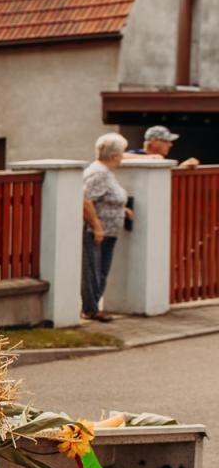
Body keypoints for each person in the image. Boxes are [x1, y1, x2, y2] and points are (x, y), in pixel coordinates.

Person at [81, 133, 132, 323]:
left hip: (108, 231)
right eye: (122, 153)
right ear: (114, 155)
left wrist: (122, 210)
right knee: (94, 271)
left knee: (101, 270)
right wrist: (97, 227)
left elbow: (106, 198)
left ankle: (93, 307)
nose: (123, 157)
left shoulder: (105, 172)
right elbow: (86, 200)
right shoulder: (99, 173)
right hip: (98, 232)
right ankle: (90, 309)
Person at [127, 125, 200, 169]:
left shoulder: (162, 158)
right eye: (166, 141)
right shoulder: (135, 153)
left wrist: (182, 168)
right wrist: (152, 158)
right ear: (154, 142)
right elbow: (122, 156)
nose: (170, 144)